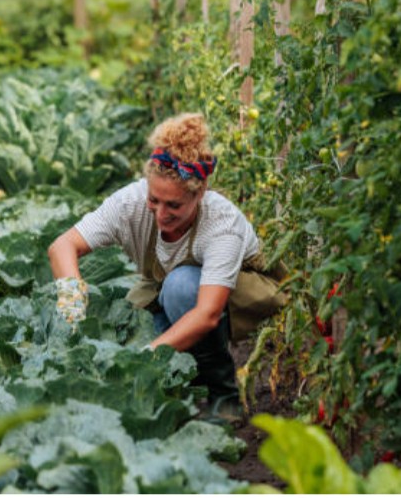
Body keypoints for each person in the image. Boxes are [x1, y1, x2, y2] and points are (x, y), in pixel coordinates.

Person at [47, 113, 286, 421]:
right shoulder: (129, 203)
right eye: (154, 200)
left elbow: (206, 313)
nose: (161, 214)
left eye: (174, 205)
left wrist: (148, 355)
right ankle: (190, 376)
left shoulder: (221, 224)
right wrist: (72, 301)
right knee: (129, 337)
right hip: (164, 288)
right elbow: (62, 246)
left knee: (182, 288)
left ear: (199, 194)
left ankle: (223, 394)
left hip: (236, 294)